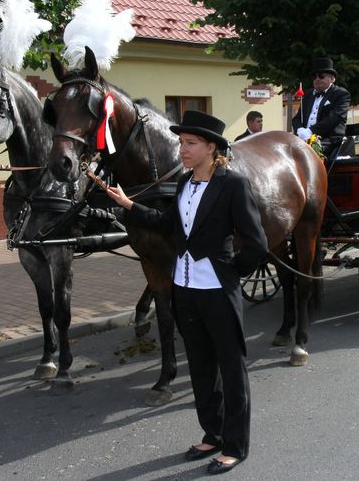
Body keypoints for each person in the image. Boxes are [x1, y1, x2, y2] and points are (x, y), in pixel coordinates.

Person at [106, 110, 268, 475]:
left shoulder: (233, 185)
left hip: (217, 290)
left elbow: (256, 245)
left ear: (212, 148)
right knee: (200, 365)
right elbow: (168, 225)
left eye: (191, 144)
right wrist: (130, 206)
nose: (183, 150)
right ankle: (212, 433)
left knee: (231, 367)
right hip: (185, 287)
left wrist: (230, 274)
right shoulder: (182, 183)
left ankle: (235, 445)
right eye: (181, 143)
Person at [291, 57, 351, 158]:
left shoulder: (341, 94)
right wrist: (300, 130)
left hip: (328, 139)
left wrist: (311, 131)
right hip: (304, 139)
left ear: (332, 78)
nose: (317, 79)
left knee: (309, 152)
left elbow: (334, 118)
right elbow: (297, 118)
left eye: (321, 76)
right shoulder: (308, 95)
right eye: (314, 77)